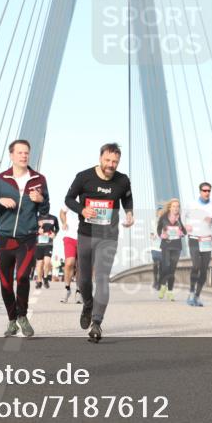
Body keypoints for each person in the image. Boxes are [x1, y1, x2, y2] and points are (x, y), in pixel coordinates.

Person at [64, 142, 134, 342]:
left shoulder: (123, 180)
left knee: (102, 277)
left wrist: (129, 214)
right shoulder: (84, 177)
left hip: (108, 235)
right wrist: (82, 210)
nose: (111, 164)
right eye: (108, 160)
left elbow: (127, 200)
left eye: (115, 161)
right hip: (86, 234)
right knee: (84, 280)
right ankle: (87, 304)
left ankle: (97, 322)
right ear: (100, 158)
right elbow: (69, 199)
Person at [0, 139, 49, 338]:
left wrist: (41, 200)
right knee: (5, 283)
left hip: (27, 239)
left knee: (21, 277)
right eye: (19, 152)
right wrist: (0, 202)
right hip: (5, 239)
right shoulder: (0, 180)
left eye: (26, 153)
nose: (23, 156)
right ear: (11, 155)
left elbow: (46, 210)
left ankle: (23, 316)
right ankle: (12, 320)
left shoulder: (39, 179)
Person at [183, 181, 212, 306]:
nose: (207, 193)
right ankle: (191, 292)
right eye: (204, 190)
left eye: (209, 191)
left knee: (204, 270)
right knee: (196, 265)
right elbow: (182, 218)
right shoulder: (191, 204)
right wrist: (185, 226)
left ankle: (197, 296)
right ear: (200, 191)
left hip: (206, 240)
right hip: (194, 238)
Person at [155, 198, 187, 301]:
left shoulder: (179, 218)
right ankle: (163, 285)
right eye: (174, 206)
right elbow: (159, 229)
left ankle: (170, 291)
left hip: (176, 246)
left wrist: (182, 232)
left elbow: (184, 232)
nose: (176, 208)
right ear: (170, 207)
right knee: (165, 268)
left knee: (172, 270)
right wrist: (162, 235)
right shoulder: (163, 217)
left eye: (178, 207)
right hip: (166, 245)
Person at [59, 208, 80, 303]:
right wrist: (64, 222)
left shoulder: (92, 198)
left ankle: (79, 291)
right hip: (70, 236)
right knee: (69, 263)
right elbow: (62, 212)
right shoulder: (72, 196)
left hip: (84, 236)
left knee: (81, 266)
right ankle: (67, 288)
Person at [34, 212, 59, 289]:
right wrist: (38, 231)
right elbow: (31, 229)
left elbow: (57, 228)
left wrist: (54, 233)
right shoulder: (36, 218)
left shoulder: (53, 218)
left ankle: (45, 278)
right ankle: (39, 281)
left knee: (47, 261)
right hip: (39, 243)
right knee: (40, 263)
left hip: (49, 243)